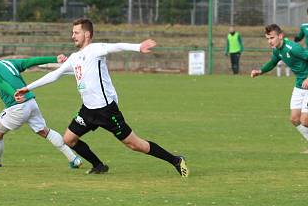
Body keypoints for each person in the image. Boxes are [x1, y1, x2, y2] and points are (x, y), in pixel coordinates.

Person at [14, 18, 188, 177]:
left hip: (106, 111)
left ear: (87, 34)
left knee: (135, 145)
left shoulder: (95, 49)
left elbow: (117, 46)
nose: (72, 36)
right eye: (72, 32)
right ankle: (98, 166)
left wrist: (138, 47)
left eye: (76, 32)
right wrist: (27, 88)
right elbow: (55, 75)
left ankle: (175, 160)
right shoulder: (74, 58)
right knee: (68, 139)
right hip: (87, 110)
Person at [0, 53, 82, 169]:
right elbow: (30, 61)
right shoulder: (7, 63)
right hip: (31, 102)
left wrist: (13, 93)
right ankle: (73, 159)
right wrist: (54, 59)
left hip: (17, 106)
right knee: (44, 131)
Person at [251, 24, 308, 153]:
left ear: (280, 36)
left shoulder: (293, 48)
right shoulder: (277, 49)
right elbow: (272, 62)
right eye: (267, 38)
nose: (269, 41)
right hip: (299, 85)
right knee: (294, 119)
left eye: (272, 38)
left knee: (306, 121)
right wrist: (260, 71)